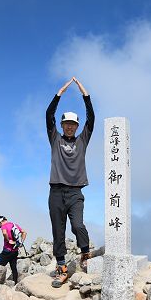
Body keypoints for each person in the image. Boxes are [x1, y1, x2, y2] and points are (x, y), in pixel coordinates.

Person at [46, 77, 94, 288]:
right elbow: (48, 115)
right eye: (66, 124)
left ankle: (85, 252)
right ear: (62, 125)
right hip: (56, 192)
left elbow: (91, 118)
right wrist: (60, 93)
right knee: (58, 231)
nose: (69, 127)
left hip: (75, 193)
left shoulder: (82, 140)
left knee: (77, 225)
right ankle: (62, 267)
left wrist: (85, 95)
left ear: (76, 126)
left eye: (73, 124)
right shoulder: (55, 139)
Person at [0, 215, 27, 284]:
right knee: (14, 268)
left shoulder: (4, 226)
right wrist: (21, 242)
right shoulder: (14, 225)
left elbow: (4, 233)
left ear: (1, 222)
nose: (0, 227)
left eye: (0, 225)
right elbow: (24, 232)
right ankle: (15, 283)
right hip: (15, 251)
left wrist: (8, 240)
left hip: (7, 251)